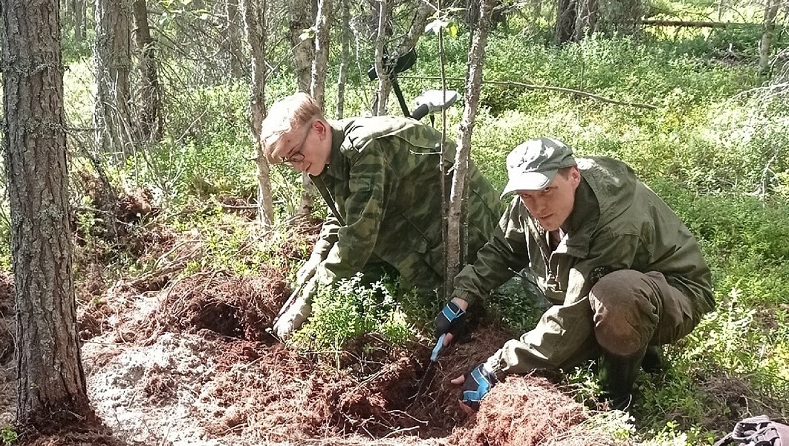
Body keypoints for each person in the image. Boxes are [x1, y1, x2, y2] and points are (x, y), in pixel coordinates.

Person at [434, 137, 715, 410]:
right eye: (527, 195)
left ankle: (614, 398)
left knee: (615, 295)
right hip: (624, 289)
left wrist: (494, 368)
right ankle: (627, 345)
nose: (538, 206)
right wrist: (463, 298)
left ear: (574, 177)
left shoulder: (613, 223)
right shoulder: (530, 200)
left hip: (677, 292)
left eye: (547, 190)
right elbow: (503, 248)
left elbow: (574, 315)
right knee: (610, 299)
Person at [260, 92, 503, 338]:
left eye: (296, 154)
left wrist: (307, 300)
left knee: (440, 326)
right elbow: (342, 214)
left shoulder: (364, 148)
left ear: (319, 129)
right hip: (414, 224)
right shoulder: (323, 157)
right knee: (369, 299)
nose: (297, 166)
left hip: (467, 225)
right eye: (288, 161)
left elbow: (357, 237)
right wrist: (317, 258)